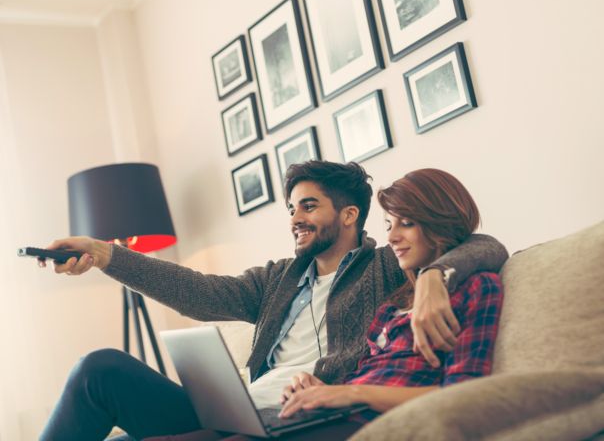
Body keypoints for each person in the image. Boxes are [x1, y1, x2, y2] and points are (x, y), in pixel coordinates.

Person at [39, 161, 507, 440]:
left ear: (348, 215)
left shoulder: (386, 265)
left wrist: (433, 276)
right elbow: (198, 293)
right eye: (290, 209)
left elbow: (483, 244)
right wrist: (105, 255)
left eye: (308, 206)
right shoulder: (277, 279)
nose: (294, 219)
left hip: (300, 417)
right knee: (99, 370)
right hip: (235, 409)